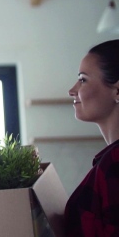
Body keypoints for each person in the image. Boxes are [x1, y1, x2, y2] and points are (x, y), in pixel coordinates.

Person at [65, 39, 119, 236]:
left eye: (83, 79)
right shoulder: (110, 160)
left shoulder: (115, 163)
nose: (72, 90)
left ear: (118, 91)